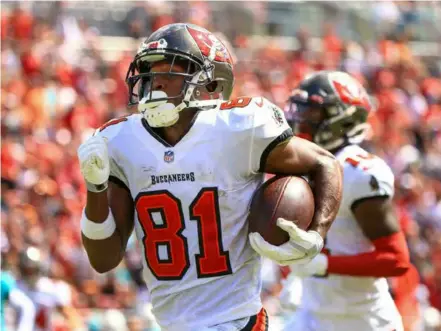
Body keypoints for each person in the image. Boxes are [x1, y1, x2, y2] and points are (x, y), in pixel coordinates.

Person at [77, 23, 342, 331]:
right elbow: (103, 259)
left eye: (170, 70)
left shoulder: (238, 129)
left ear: (211, 83)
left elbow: (324, 163)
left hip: (237, 320)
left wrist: (317, 233)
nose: (155, 82)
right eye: (149, 71)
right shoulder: (122, 141)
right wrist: (95, 188)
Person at [282, 71, 411, 331]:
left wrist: (324, 264)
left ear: (342, 120)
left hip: (363, 321)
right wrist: (295, 276)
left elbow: (396, 260)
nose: (300, 121)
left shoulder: (357, 172)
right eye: (300, 111)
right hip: (311, 315)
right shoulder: (301, 163)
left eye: (312, 114)